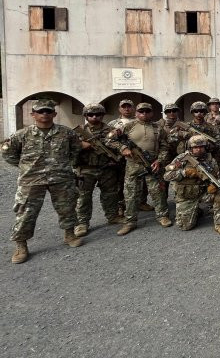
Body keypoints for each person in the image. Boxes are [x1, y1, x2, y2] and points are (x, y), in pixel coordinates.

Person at [2, 99, 83, 264]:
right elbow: (8, 154)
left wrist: (66, 165)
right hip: (32, 180)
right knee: (26, 213)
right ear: (33, 115)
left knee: (67, 207)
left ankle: (69, 234)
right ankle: (21, 245)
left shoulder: (66, 133)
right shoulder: (22, 134)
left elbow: (76, 149)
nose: (44, 114)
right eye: (40, 111)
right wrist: (25, 167)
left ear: (54, 113)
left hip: (61, 178)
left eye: (48, 111)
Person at [107, 102, 172, 235]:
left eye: (147, 111)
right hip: (133, 165)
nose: (144, 114)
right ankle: (130, 221)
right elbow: (109, 140)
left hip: (152, 164)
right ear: (136, 113)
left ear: (152, 113)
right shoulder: (128, 126)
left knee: (158, 192)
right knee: (130, 194)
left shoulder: (158, 128)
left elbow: (165, 146)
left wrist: (159, 161)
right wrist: (123, 148)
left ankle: (162, 216)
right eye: (141, 111)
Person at [73, 103, 124, 237]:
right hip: (86, 169)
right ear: (85, 116)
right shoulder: (78, 132)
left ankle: (112, 216)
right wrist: (81, 145)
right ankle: (82, 223)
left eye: (98, 114)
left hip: (107, 168)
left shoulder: (111, 130)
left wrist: (116, 159)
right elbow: (68, 147)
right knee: (84, 197)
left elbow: (120, 146)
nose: (95, 117)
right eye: (91, 114)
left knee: (110, 194)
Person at [163, 135, 220, 234]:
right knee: (185, 226)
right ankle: (196, 210)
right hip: (186, 195)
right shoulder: (182, 159)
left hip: (203, 193)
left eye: (201, 147)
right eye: (195, 147)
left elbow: (218, 177)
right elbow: (167, 176)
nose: (199, 149)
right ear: (190, 148)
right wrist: (184, 173)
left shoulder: (210, 160)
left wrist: (215, 185)